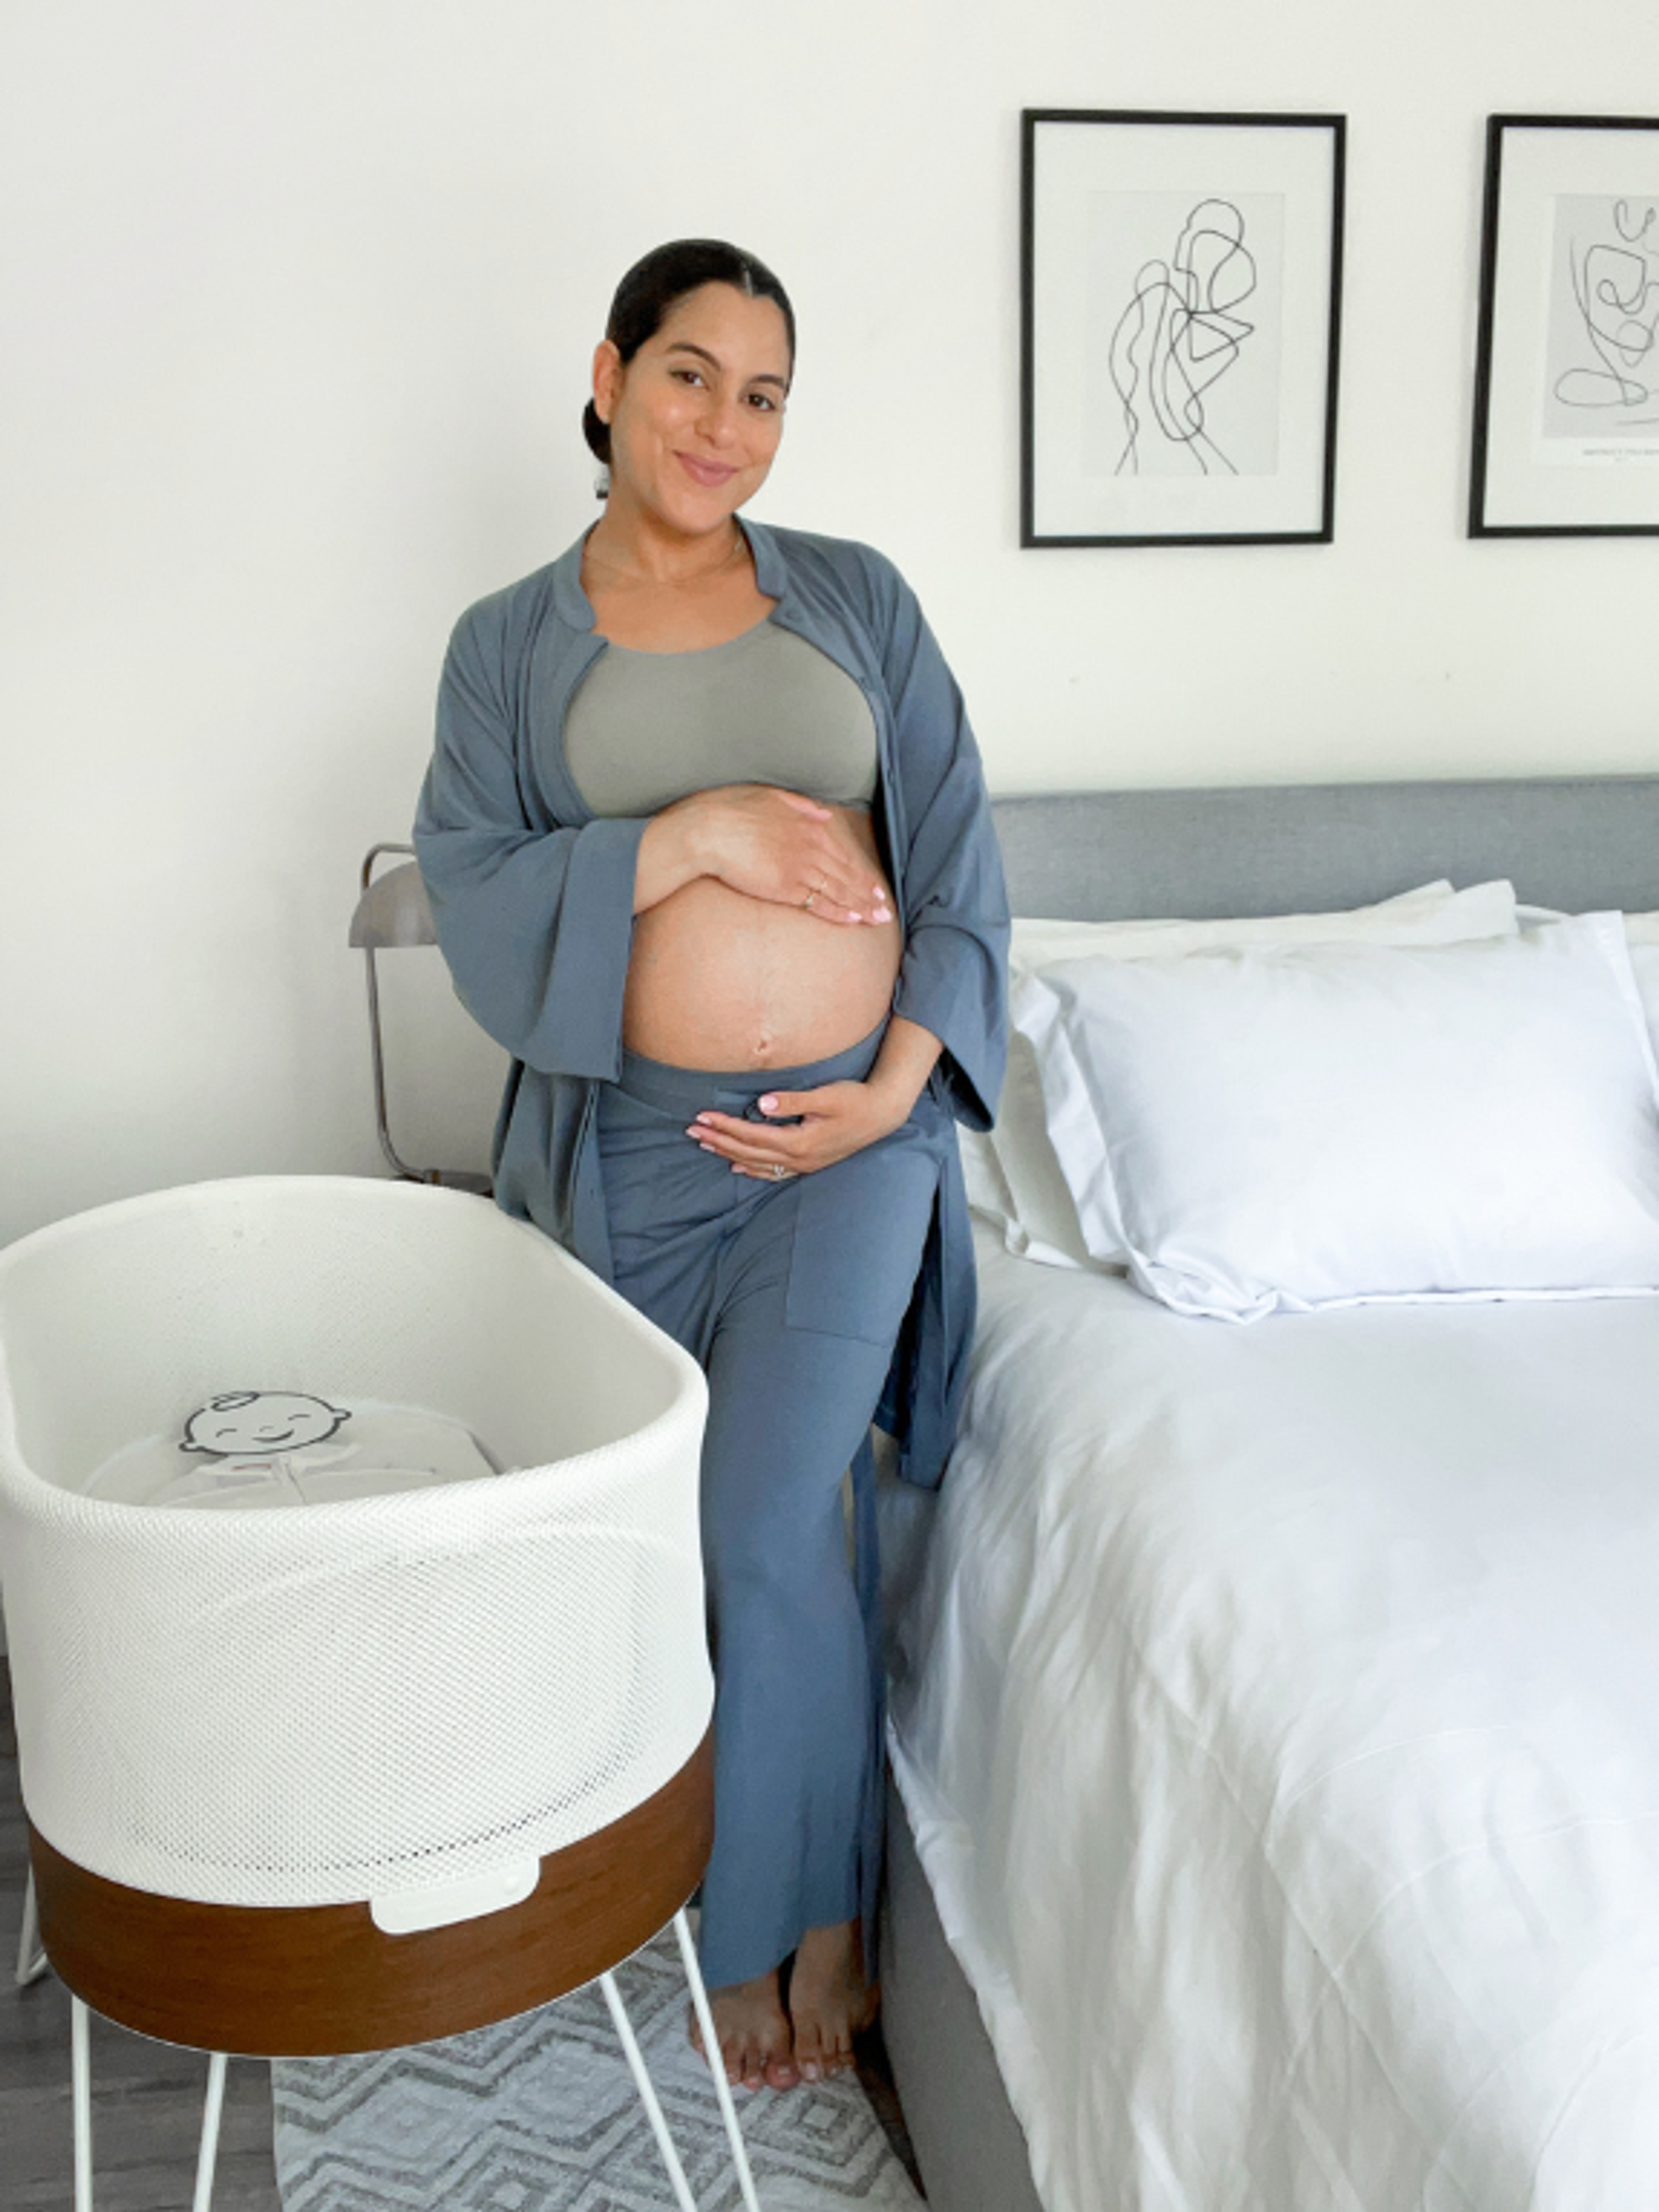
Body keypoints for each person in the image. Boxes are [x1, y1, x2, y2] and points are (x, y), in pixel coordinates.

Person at [414, 239, 1007, 2094]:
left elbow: (961, 859)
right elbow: (474, 886)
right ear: (610, 379)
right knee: (666, 1525)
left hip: (849, 1146)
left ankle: (794, 1926)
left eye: (763, 395)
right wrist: (687, 837)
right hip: (638, 1158)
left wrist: (893, 1091)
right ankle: (710, 1864)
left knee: (767, 1513)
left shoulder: (857, 600)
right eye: (689, 375)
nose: (723, 425)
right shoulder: (509, 644)